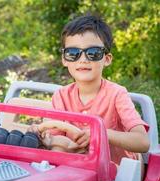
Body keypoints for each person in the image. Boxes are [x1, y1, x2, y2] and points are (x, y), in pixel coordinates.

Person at [29, 14, 150, 167]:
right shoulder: (61, 96)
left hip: (117, 176)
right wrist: (44, 138)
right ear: (65, 59)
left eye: (93, 53)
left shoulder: (117, 94)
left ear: (106, 59)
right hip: (78, 169)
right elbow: (55, 142)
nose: (83, 59)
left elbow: (142, 142)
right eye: (73, 53)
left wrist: (101, 134)